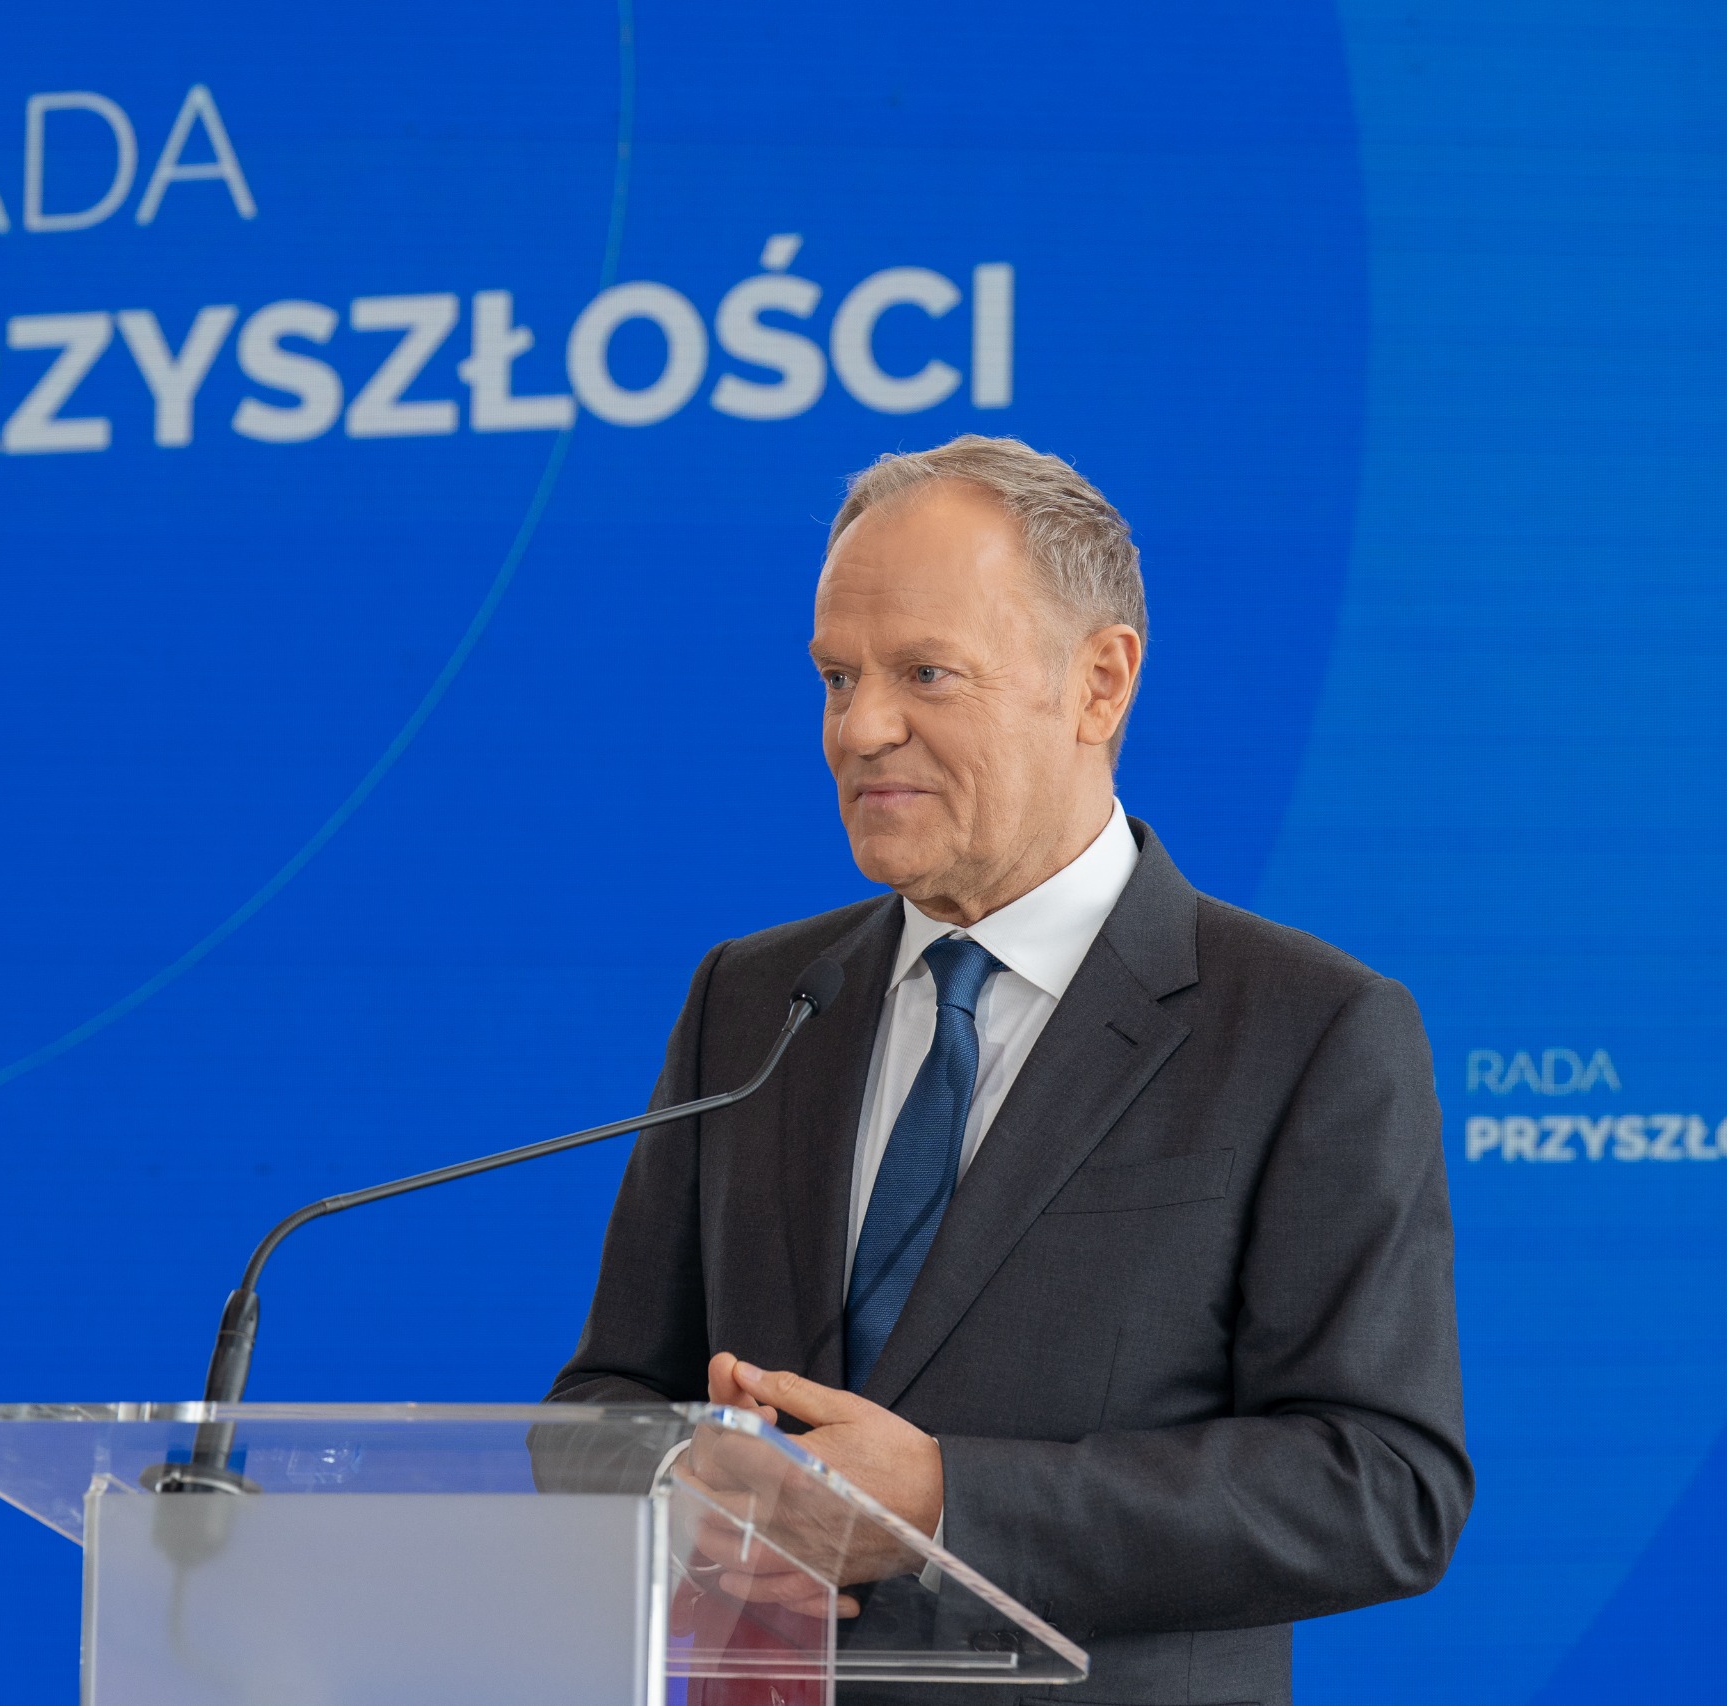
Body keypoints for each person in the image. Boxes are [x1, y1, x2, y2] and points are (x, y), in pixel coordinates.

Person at [547, 435, 1470, 1704]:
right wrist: (690, 1481)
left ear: (1099, 682)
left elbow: (1381, 1485)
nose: (860, 727)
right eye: (835, 677)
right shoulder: (753, 999)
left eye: (925, 672)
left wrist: (943, 1501)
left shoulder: (1307, 1027)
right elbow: (603, 1401)